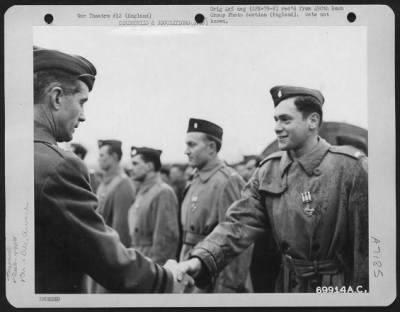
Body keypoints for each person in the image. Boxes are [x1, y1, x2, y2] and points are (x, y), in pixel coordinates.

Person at [177, 86, 368, 293]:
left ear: (312, 121)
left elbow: (367, 249)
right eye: (275, 120)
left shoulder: (350, 168)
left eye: (285, 120)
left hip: (337, 290)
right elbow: (237, 225)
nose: (277, 127)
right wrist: (200, 259)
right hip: (288, 288)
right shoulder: (268, 171)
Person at [33, 46, 192, 293]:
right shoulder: (59, 166)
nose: (83, 116)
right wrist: (166, 280)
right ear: (56, 97)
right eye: (81, 102)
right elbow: (106, 255)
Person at [179, 118, 253, 293]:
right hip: (191, 270)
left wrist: (226, 288)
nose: (186, 151)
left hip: (213, 279)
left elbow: (237, 239)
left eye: (191, 145)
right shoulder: (195, 179)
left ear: (211, 147)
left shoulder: (228, 181)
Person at [129, 147, 180, 265]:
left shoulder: (163, 192)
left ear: (150, 166)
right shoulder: (142, 191)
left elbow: (165, 238)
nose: (132, 169)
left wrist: (158, 269)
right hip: (139, 258)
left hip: (151, 261)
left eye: (135, 164)